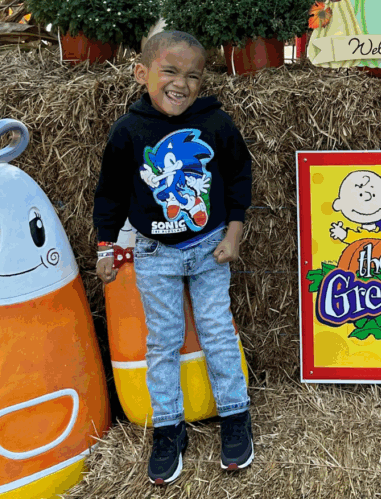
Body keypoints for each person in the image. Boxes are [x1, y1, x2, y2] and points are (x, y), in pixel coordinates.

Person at [93, 31, 253, 485]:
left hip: (208, 248)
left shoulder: (216, 123)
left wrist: (234, 233)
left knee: (217, 331)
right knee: (162, 341)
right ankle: (168, 428)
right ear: (141, 73)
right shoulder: (128, 131)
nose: (181, 83)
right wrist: (106, 245)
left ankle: (235, 416)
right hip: (155, 253)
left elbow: (239, 176)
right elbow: (111, 193)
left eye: (193, 76)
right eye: (169, 71)